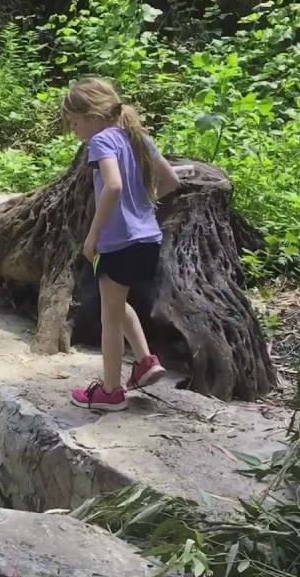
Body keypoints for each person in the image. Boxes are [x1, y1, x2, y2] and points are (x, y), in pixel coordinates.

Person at [63, 77, 181, 412]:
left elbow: (112, 185)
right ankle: (144, 361)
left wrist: (93, 235)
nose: (74, 131)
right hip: (147, 239)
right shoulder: (137, 136)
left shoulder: (101, 141)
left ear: (94, 116)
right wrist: (143, 203)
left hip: (117, 242)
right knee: (115, 302)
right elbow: (171, 180)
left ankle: (110, 392)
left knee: (109, 317)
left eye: (75, 122)